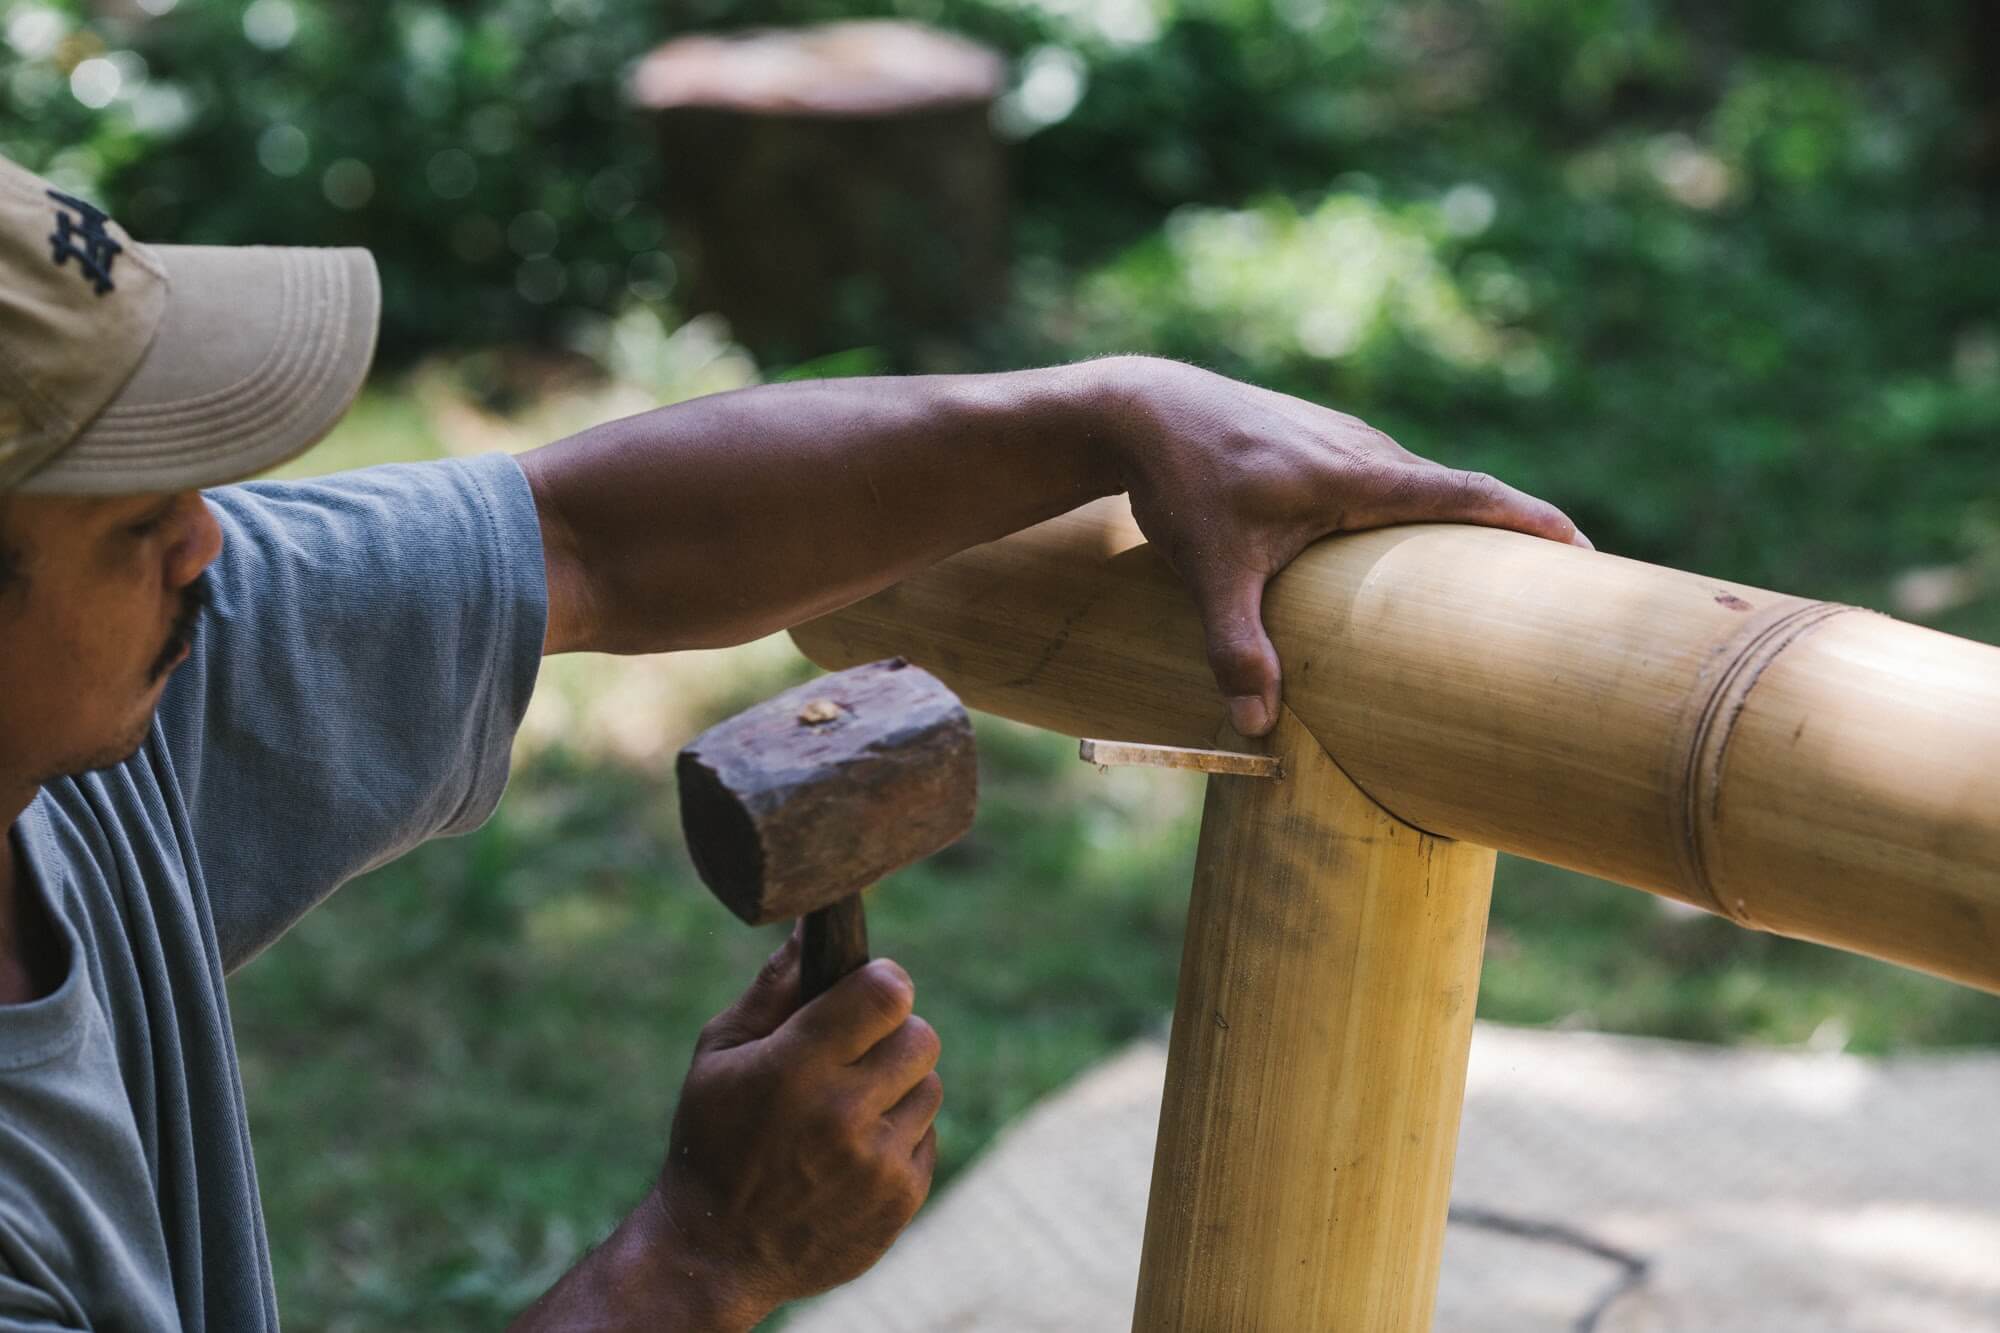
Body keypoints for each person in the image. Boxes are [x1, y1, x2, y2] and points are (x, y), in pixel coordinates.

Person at [0, 151, 1587, 1330]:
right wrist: (692, 1258)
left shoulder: (106, 692)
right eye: (140, 520)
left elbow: (587, 539)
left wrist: (1114, 414)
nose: (215, 545)